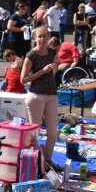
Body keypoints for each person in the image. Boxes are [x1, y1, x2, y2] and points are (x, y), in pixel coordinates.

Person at [19, 27, 59, 162]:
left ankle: (47, 160)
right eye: (39, 36)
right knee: (34, 133)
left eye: (45, 36)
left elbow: (55, 69)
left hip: (52, 95)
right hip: (36, 95)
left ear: (48, 37)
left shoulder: (52, 52)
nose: (42, 39)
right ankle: (34, 161)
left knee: (53, 133)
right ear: (34, 38)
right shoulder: (31, 55)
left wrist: (54, 67)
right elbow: (23, 80)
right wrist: (42, 71)